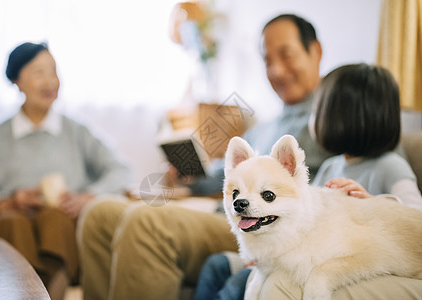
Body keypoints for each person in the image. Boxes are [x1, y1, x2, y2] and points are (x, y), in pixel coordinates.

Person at [78, 14, 332, 300]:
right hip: (225, 213)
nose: (276, 70)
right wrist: (190, 174)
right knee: (99, 213)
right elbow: (223, 176)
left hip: (265, 229)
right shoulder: (264, 127)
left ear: (316, 51)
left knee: (145, 221)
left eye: (286, 55)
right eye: (267, 60)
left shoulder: (335, 122)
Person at [198, 63, 422, 300]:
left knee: (238, 285)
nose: (311, 119)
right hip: (283, 253)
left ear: (347, 117)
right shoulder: (331, 165)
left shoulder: (389, 165)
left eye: (317, 110)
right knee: (218, 264)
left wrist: (373, 199)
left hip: (343, 257)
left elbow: (414, 212)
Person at [0, 42, 132, 300]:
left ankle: (50, 293)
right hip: (10, 228)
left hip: (61, 229)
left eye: (54, 71)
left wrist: (88, 196)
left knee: (56, 217)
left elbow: (121, 171)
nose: (50, 81)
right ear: (16, 81)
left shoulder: (77, 132)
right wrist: (5, 202)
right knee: (15, 222)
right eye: (38, 72)